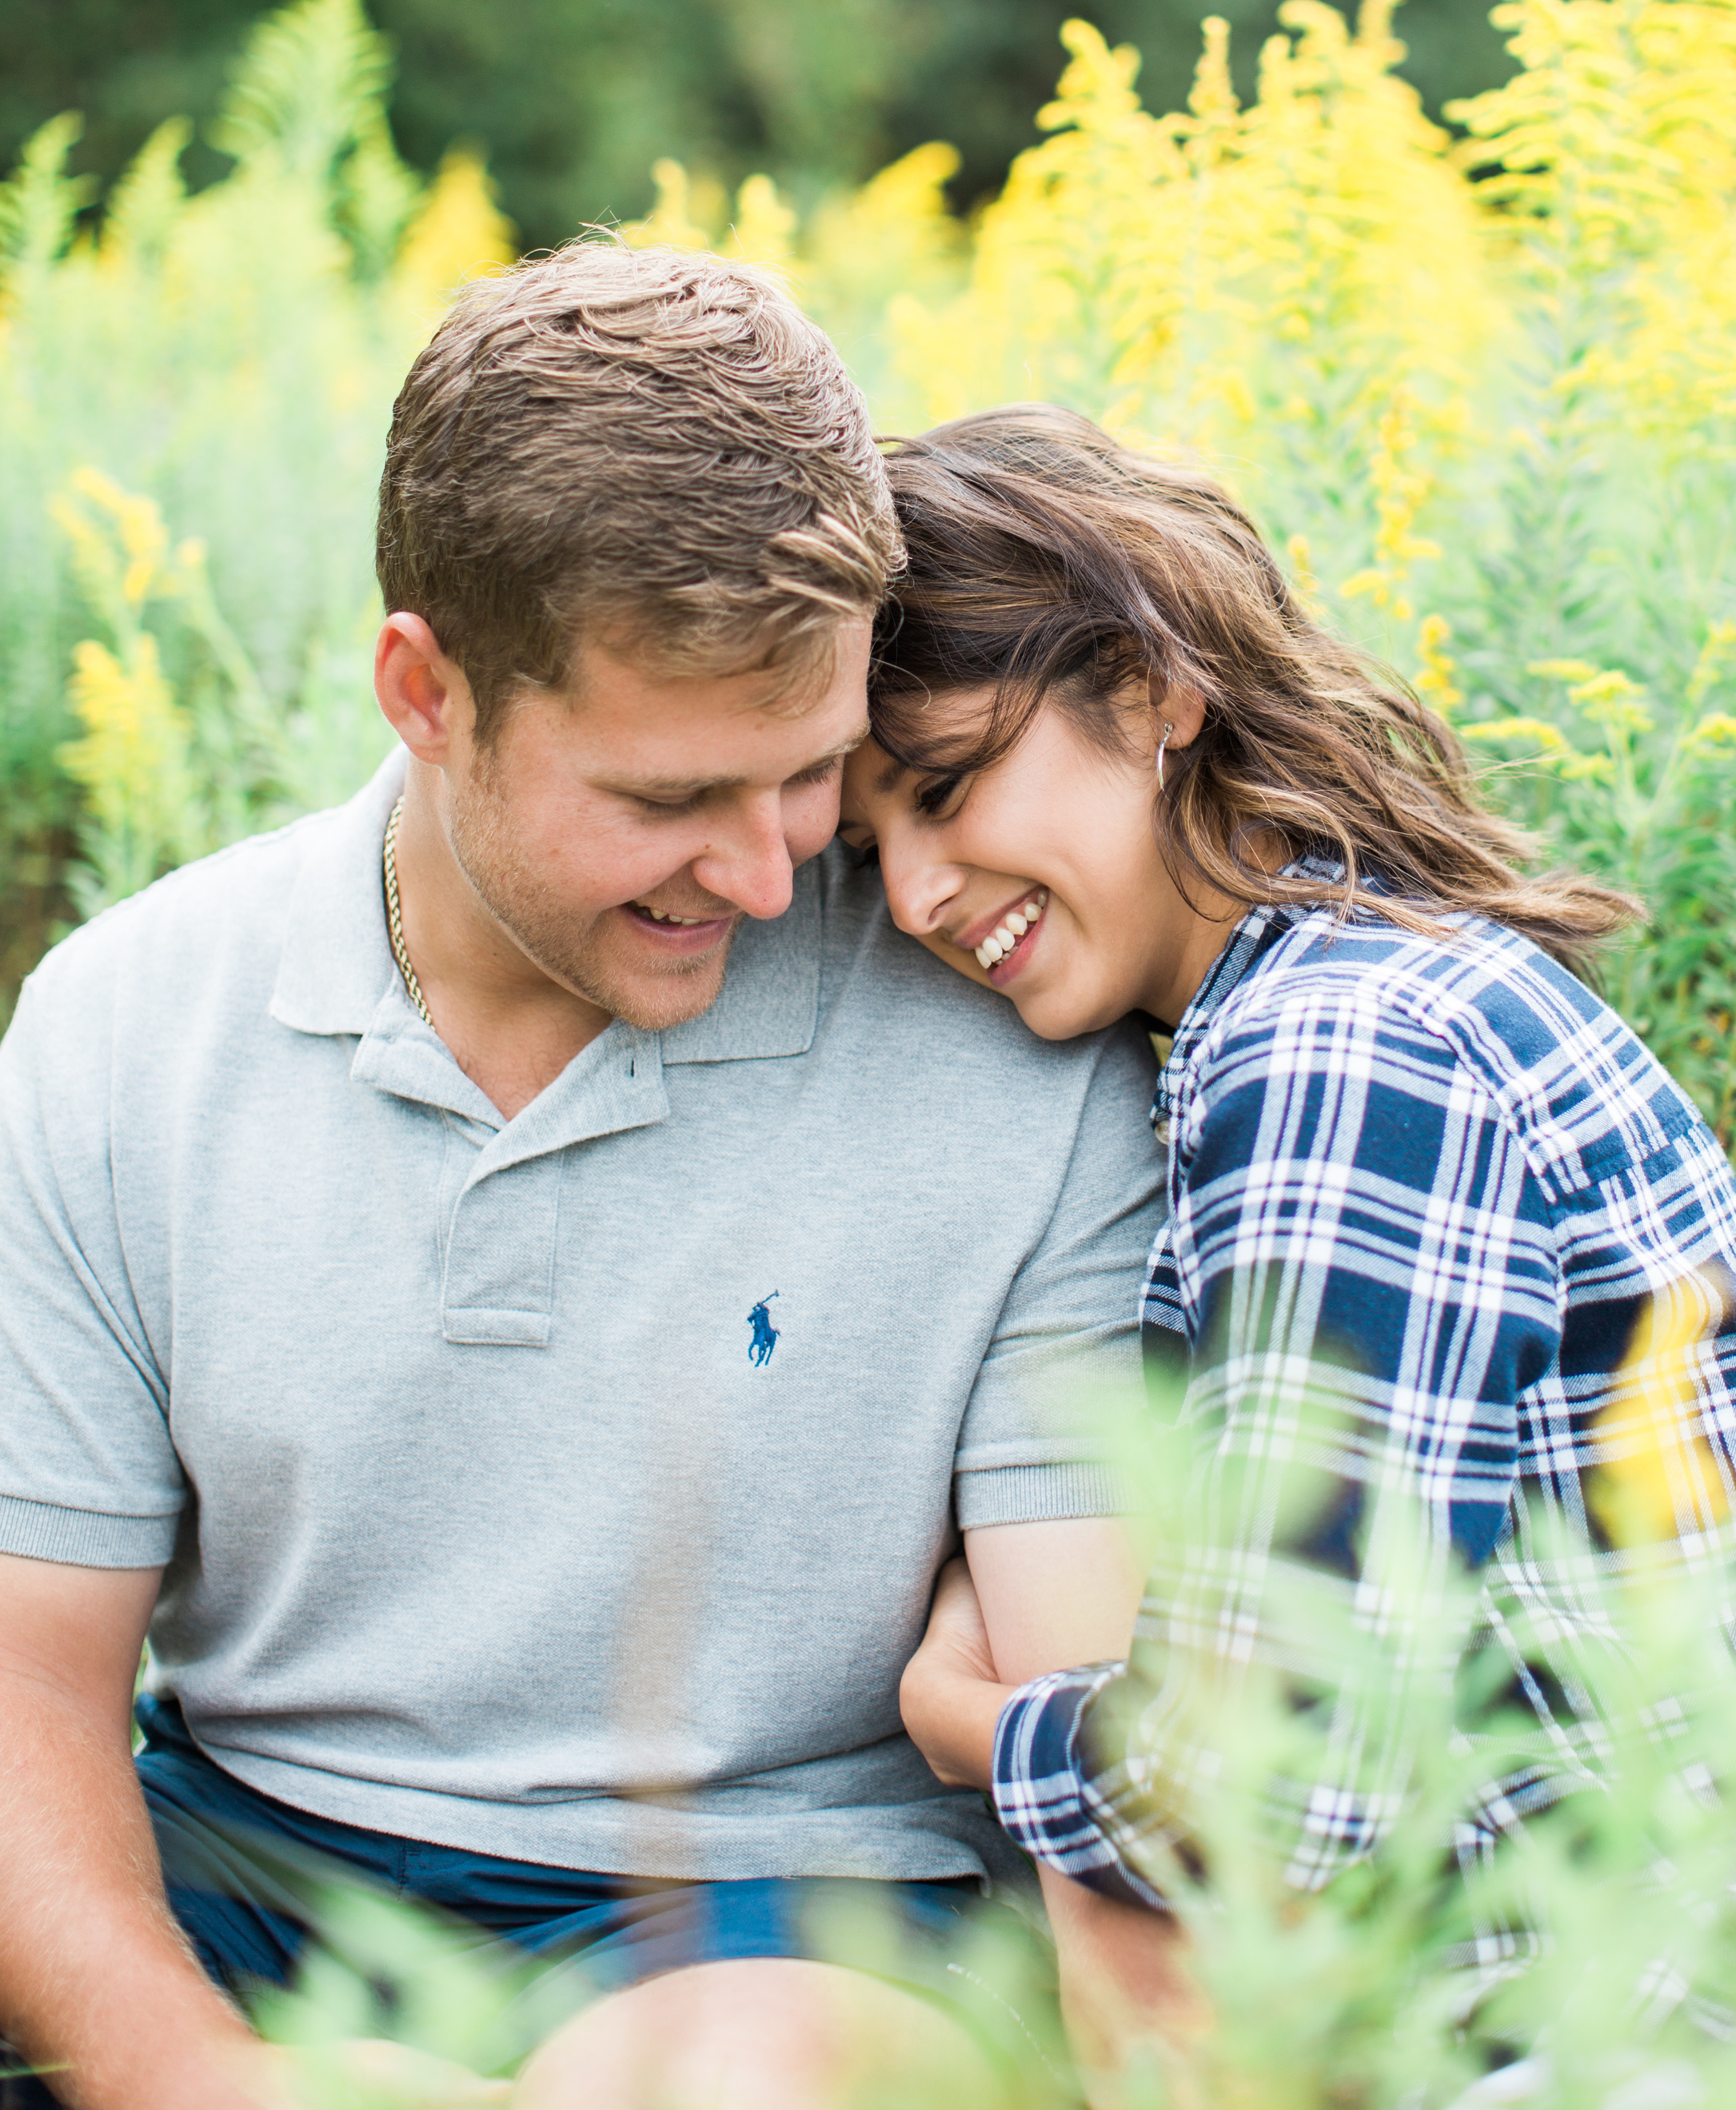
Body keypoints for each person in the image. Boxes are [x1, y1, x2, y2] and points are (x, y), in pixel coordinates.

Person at [0, 257, 1166, 2110]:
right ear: (426, 693)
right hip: (247, 1868)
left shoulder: (1016, 1059)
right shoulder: (126, 1029)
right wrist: (199, 2082)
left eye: (809, 775)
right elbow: (31, 1693)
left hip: (777, 1921)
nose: (775, 876)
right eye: (667, 799)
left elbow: (1105, 1749)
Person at [840, 405, 1736, 2072]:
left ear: (1150, 691)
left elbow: (1269, 1792)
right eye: (867, 846)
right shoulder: (1355, 991)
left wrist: (973, 1724)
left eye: (946, 784)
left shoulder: (1336, 1053)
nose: (911, 894)